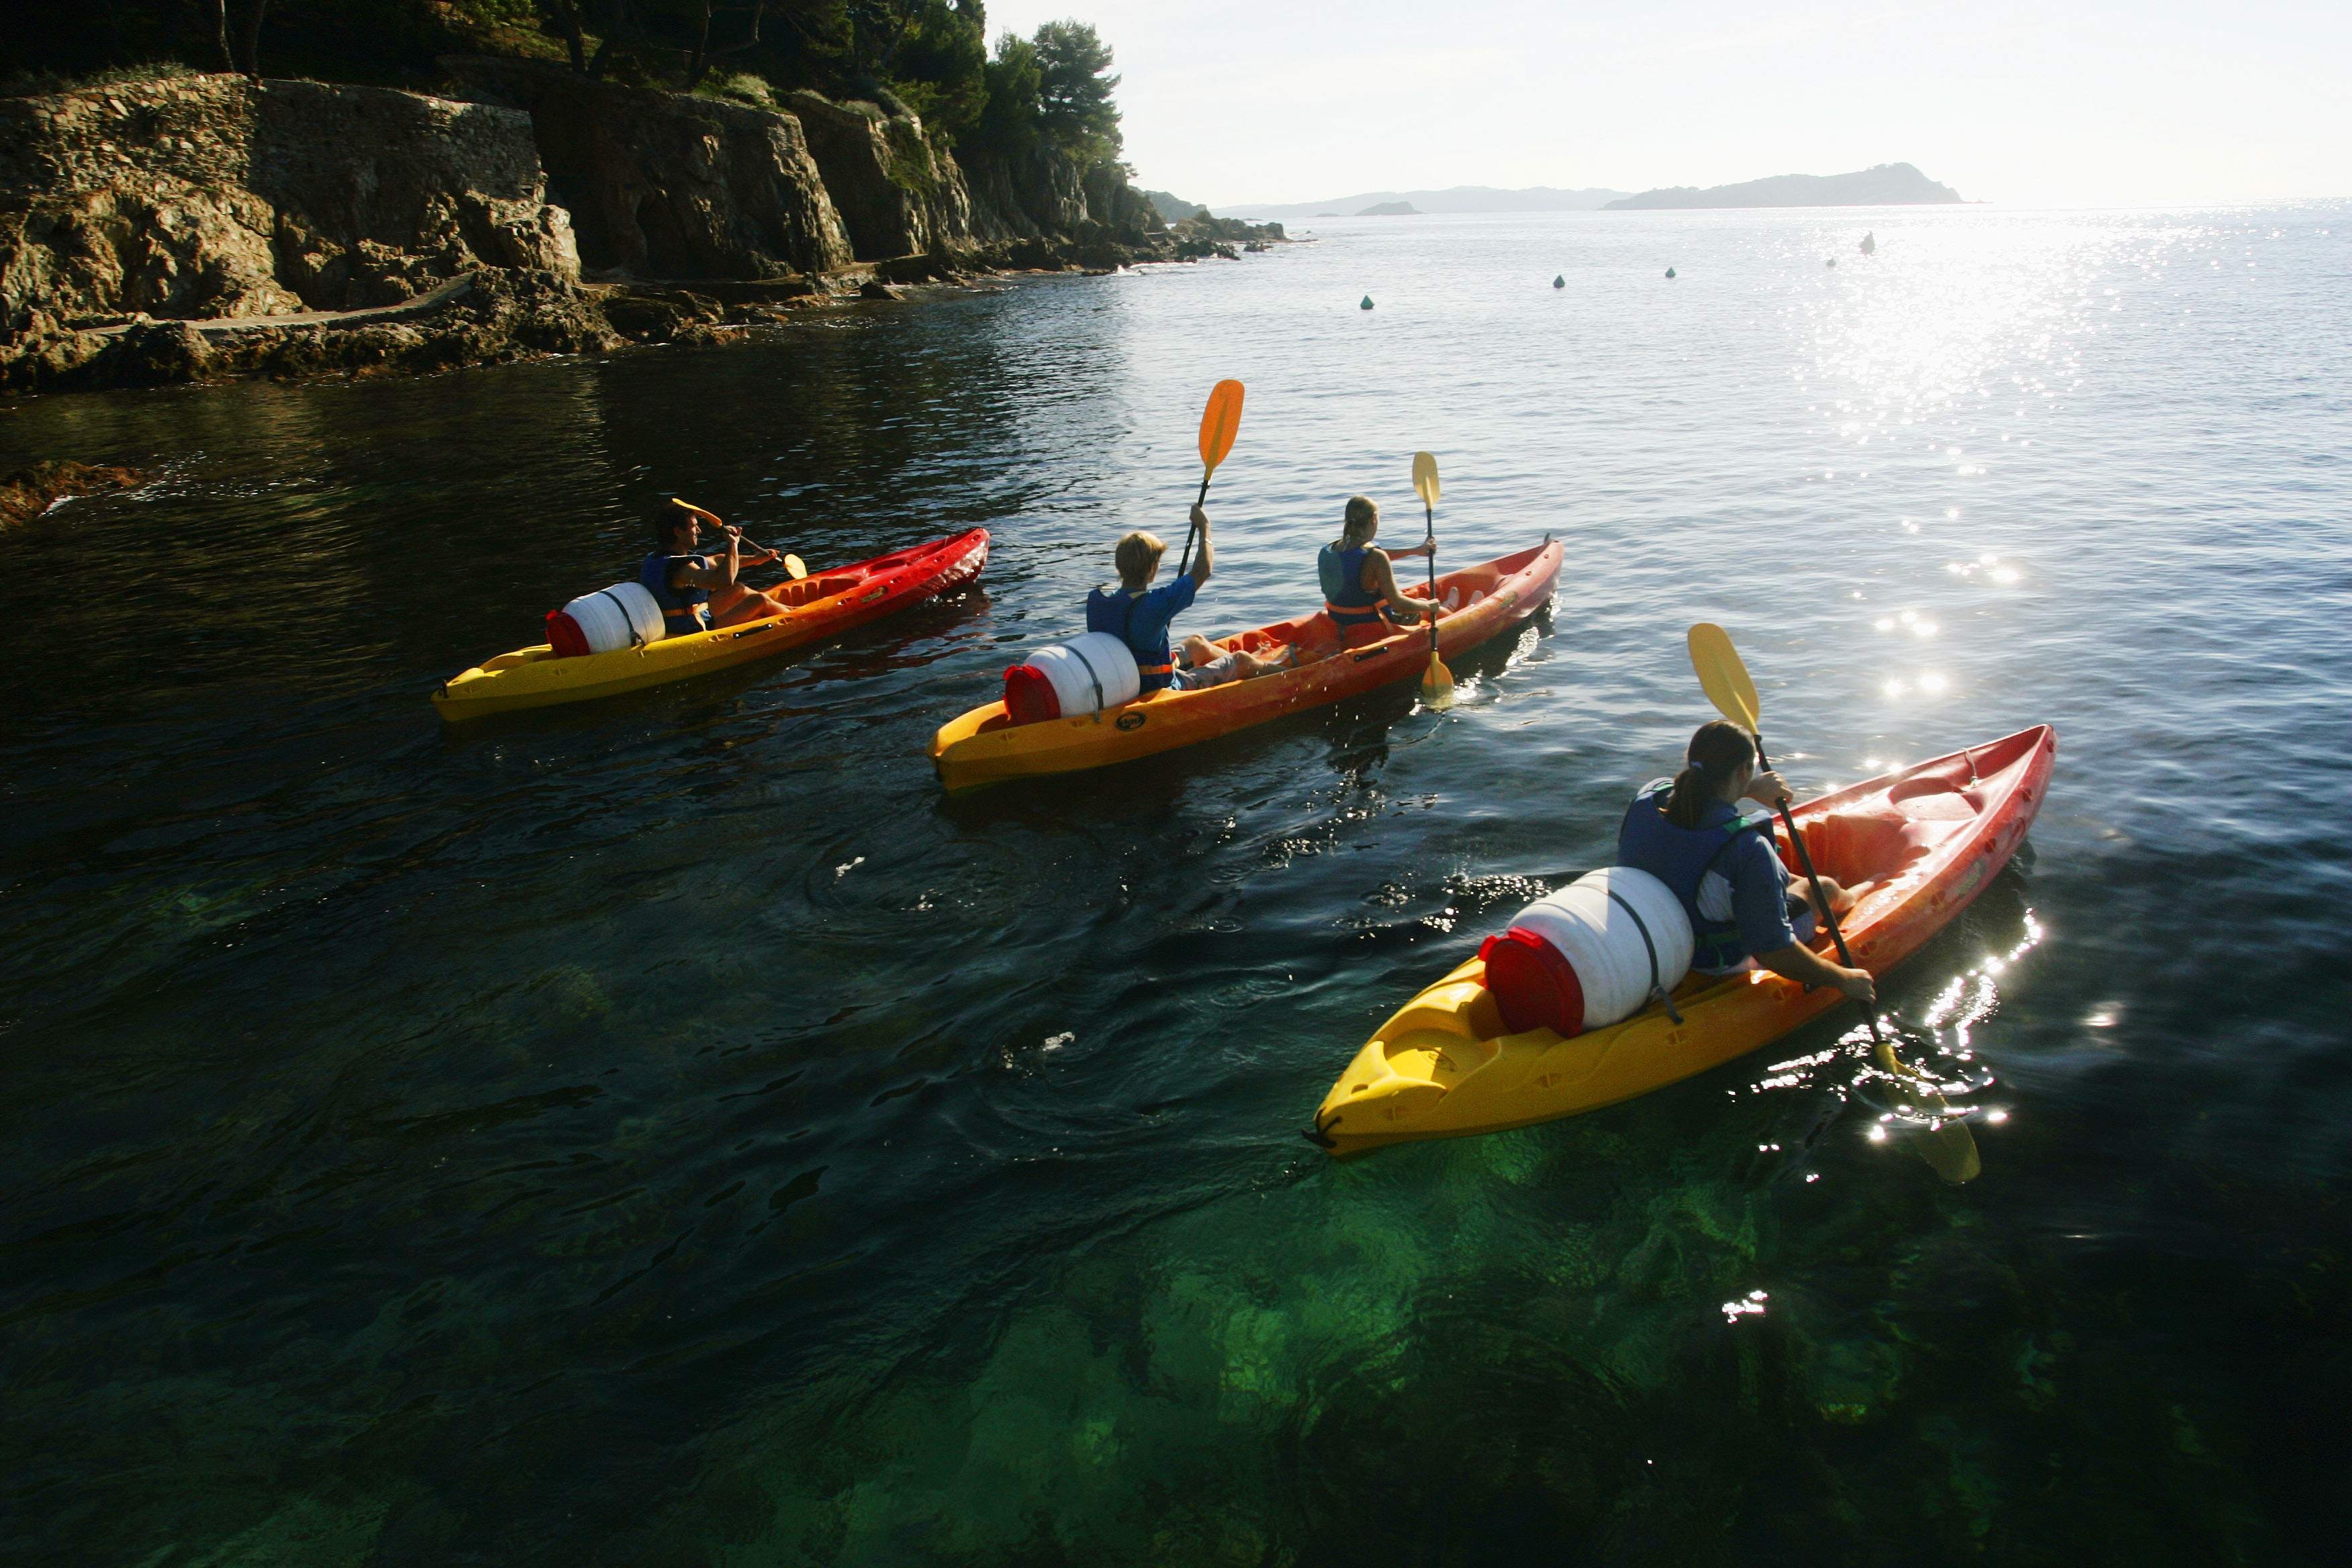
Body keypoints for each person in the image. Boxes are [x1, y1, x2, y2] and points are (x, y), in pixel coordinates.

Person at [1616, 720, 1876, 1001]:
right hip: (1712, 959)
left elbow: (1693, 801)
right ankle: (1866, 891)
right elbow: (1772, 950)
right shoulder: (1749, 848)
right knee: (1824, 889)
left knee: (1777, 879)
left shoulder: (1649, 797)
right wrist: (1841, 977)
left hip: (1655, 938)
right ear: (1743, 771)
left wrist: (1749, 787)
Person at [1088, 505, 1213, 695]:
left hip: (1124, 683)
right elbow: (1203, 571)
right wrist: (1204, 526)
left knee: (1197, 642)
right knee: (1241, 660)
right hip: (1159, 689)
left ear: (1118, 566)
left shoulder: (1097, 602)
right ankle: (1268, 672)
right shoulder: (1154, 605)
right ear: (1152, 569)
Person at [640, 501, 788, 638]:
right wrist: (732, 545)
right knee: (759, 600)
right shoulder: (680, 569)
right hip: (694, 631)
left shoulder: (657, 559)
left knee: (738, 589)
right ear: (678, 531)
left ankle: (789, 608)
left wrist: (755, 559)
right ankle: (796, 617)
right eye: (694, 526)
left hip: (684, 620)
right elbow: (725, 580)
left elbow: (715, 561)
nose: (699, 530)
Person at [1318, 495, 1440, 648]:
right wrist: (1431, 606)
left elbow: (1358, 560)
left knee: (1421, 603)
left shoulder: (1328, 551)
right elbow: (1398, 604)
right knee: (1427, 605)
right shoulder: (1376, 557)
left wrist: (1415, 551)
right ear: (1373, 520)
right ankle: (1449, 609)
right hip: (1374, 625)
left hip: (1340, 621)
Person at [1171, 633, 1296, 691]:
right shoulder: (1158, 603)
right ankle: (1300, 677)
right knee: (1240, 659)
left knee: (1196, 642)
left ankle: (1249, 663)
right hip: (1169, 685)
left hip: (1162, 671)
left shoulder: (1153, 600)